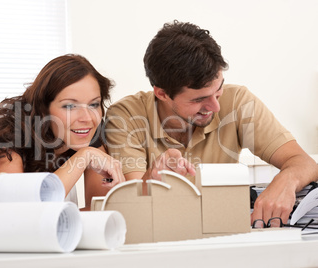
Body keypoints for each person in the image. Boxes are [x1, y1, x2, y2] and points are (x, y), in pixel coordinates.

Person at [104, 21, 318, 225]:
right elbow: (133, 202)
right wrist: (152, 179)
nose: (215, 107)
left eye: (218, 91)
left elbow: (304, 163)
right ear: (162, 93)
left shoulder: (237, 101)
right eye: (199, 99)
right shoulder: (125, 116)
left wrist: (286, 180)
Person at [0, 54, 125, 209]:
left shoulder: (87, 129)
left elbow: (98, 209)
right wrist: (84, 156)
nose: (87, 118)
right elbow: (22, 211)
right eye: (69, 106)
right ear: (44, 108)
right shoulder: (7, 131)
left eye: (94, 104)